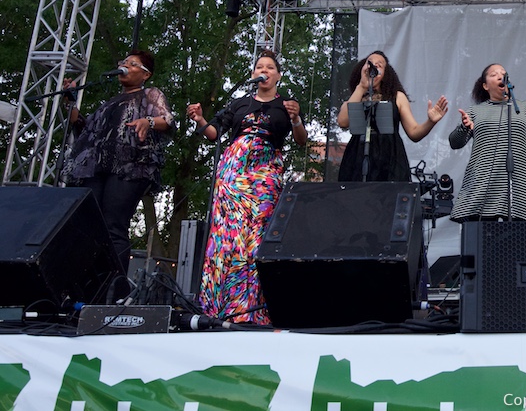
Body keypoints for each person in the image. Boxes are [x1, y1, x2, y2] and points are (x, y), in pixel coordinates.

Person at [186, 50, 307, 325]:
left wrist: (297, 118)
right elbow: (214, 134)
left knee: (256, 237)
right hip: (233, 170)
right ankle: (215, 307)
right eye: (259, 67)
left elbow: (301, 140)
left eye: (269, 67)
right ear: (254, 74)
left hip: (265, 173)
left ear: (277, 75)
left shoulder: (286, 105)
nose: (263, 70)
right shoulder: (239, 103)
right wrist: (201, 120)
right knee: (226, 236)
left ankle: (250, 308)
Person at [62, 50, 174, 278]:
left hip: (131, 165)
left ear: (146, 75)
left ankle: (114, 288)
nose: (125, 66)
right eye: (123, 62)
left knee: (114, 225)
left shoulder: (150, 95)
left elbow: (168, 120)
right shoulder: (109, 103)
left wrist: (148, 121)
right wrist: (70, 101)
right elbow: (83, 127)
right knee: (92, 226)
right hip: (97, 166)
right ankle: (90, 286)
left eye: (133, 64)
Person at [449, 63, 526, 222]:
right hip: (482, 179)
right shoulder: (475, 111)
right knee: (482, 238)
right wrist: (463, 127)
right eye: (494, 74)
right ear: (485, 85)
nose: (500, 75)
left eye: (503, 73)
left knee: (517, 239)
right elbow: (455, 143)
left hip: (519, 179)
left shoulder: (524, 108)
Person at [337, 50, 448, 181]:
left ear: (385, 74)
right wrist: (362, 86)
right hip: (357, 158)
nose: (374, 66)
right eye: (370, 63)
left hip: (390, 159)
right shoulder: (356, 96)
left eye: (379, 65)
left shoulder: (397, 97)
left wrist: (431, 122)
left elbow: (414, 133)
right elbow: (343, 121)